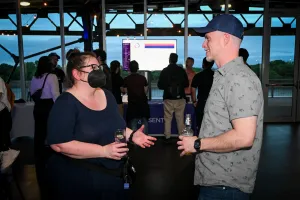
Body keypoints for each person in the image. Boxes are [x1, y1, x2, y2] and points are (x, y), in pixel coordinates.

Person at [46, 52, 156, 200]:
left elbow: (116, 125)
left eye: (98, 66)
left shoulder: (107, 95)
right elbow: (59, 144)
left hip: (112, 175)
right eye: (93, 67)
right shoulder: (66, 103)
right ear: (77, 74)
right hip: (81, 179)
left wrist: (132, 134)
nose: (99, 70)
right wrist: (103, 151)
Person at [178, 14, 264, 200]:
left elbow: (244, 137)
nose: (203, 44)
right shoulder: (224, 76)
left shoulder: (239, 79)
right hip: (218, 181)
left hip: (226, 187)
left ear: (225, 39)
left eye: (208, 38)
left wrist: (198, 144)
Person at [30, 56, 60, 199]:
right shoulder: (52, 76)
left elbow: (31, 92)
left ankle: (39, 156)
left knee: (39, 132)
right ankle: (52, 154)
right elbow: (55, 94)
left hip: (38, 107)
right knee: (51, 131)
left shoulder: (35, 77)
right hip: (49, 107)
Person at [157, 53, 189, 142]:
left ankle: (167, 137)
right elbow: (186, 84)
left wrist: (167, 87)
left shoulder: (165, 71)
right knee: (180, 119)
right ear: (177, 59)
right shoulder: (181, 70)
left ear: (169, 59)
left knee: (167, 118)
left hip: (168, 98)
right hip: (180, 98)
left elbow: (159, 85)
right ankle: (182, 139)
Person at [123, 61, 149, 134]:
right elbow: (145, 91)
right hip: (143, 104)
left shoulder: (126, 79)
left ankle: (134, 141)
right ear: (137, 68)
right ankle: (145, 140)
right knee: (144, 123)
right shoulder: (143, 78)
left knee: (133, 124)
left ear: (129, 69)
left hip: (132, 105)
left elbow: (125, 91)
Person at [191, 57, 214, 132]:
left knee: (200, 123)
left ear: (203, 64)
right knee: (212, 123)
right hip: (214, 103)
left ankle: (201, 141)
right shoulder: (216, 75)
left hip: (201, 102)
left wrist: (194, 101)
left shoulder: (199, 75)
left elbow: (193, 88)